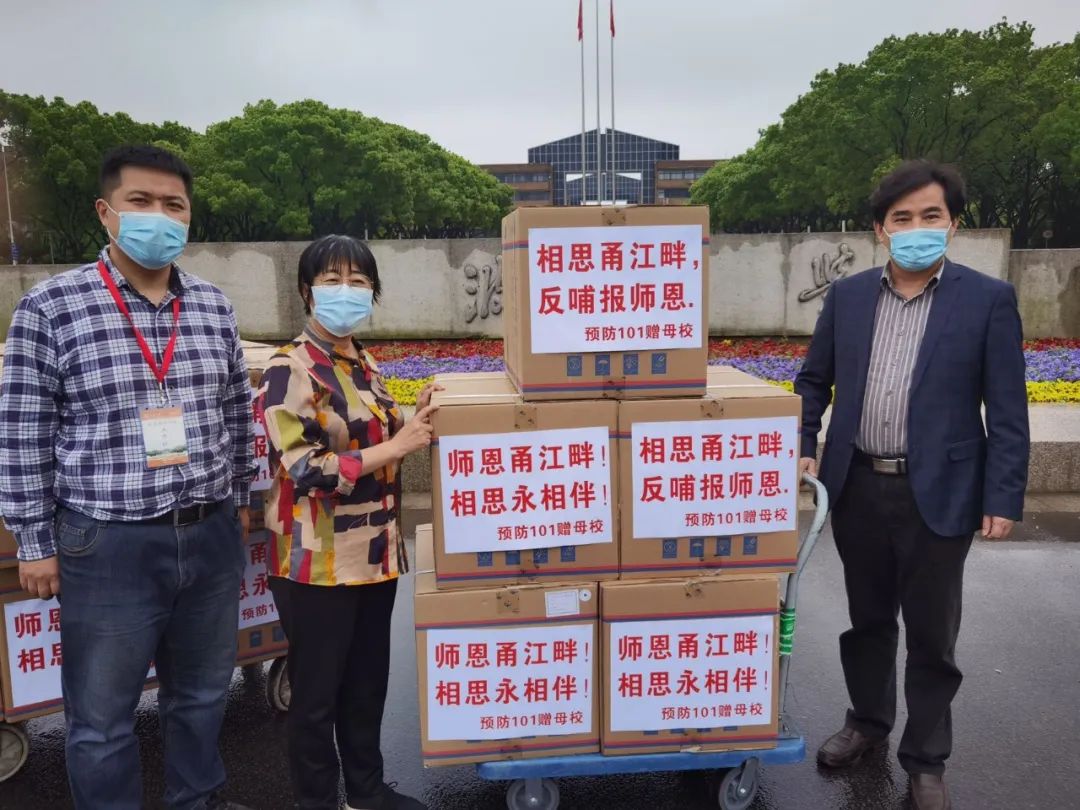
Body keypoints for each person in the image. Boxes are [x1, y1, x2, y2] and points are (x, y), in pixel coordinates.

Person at [0, 145, 256, 809]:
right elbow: (23, 432)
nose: (158, 217)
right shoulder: (52, 307)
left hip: (208, 532)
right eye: (140, 201)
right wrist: (34, 541)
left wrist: (241, 497)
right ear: (105, 212)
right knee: (102, 719)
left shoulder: (212, 306)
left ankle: (195, 801)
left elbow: (235, 409)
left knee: (201, 696)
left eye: (174, 205)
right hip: (107, 542)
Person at [795, 160, 1029, 810]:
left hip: (943, 491)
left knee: (932, 633)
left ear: (952, 224)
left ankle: (926, 758)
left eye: (931, 215)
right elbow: (813, 382)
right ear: (880, 229)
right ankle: (867, 723)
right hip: (857, 484)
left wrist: (1002, 496)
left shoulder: (987, 300)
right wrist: (804, 445)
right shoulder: (848, 298)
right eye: (902, 218)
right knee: (867, 621)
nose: (916, 228)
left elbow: (1007, 410)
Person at [259, 234, 437, 810]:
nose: (346, 291)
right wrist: (398, 446)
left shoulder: (363, 362)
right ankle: (317, 800)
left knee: (366, 684)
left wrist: (416, 416)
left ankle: (366, 790)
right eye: (332, 279)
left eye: (358, 282)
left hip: (375, 553)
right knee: (316, 698)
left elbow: (375, 431)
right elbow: (305, 467)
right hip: (316, 562)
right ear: (307, 290)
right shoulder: (289, 368)